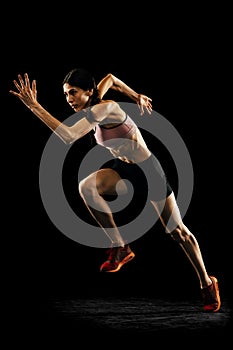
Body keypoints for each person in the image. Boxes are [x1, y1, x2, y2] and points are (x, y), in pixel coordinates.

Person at [10, 68, 221, 312]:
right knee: (87, 187)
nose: (69, 99)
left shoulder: (104, 108)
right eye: (66, 94)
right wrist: (136, 95)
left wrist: (34, 106)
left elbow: (67, 136)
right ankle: (121, 247)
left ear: (89, 91)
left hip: (148, 172)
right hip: (123, 169)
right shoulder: (94, 101)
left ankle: (207, 283)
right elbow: (111, 78)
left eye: (73, 93)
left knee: (177, 232)